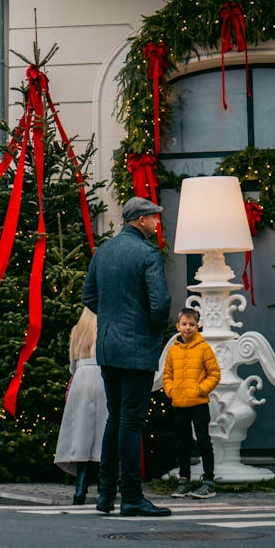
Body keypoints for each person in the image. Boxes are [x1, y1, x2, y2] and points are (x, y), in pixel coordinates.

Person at [82, 195, 172, 518]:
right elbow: (160, 304)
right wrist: (147, 325)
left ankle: (106, 495)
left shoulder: (103, 251)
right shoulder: (147, 254)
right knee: (131, 422)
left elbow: (88, 295)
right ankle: (131, 496)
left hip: (107, 347)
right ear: (141, 220)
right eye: (154, 218)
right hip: (137, 348)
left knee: (115, 419)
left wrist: (112, 317)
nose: (157, 223)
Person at [163, 307, 220, 499]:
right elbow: (167, 375)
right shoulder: (173, 350)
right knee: (182, 443)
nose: (188, 328)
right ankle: (184, 480)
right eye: (184, 324)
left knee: (204, 441)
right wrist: (171, 391)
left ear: (198, 326)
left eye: (192, 324)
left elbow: (214, 373)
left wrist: (201, 389)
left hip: (199, 403)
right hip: (179, 404)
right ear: (178, 326)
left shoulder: (204, 348)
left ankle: (209, 482)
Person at [54, 306, 108, 504]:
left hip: (81, 378)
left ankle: (80, 489)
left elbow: (72, 364)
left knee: (81, 435)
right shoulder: (105, 327)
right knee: (104, 435)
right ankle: (104, 488)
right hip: (102, 376)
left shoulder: (78, 330)